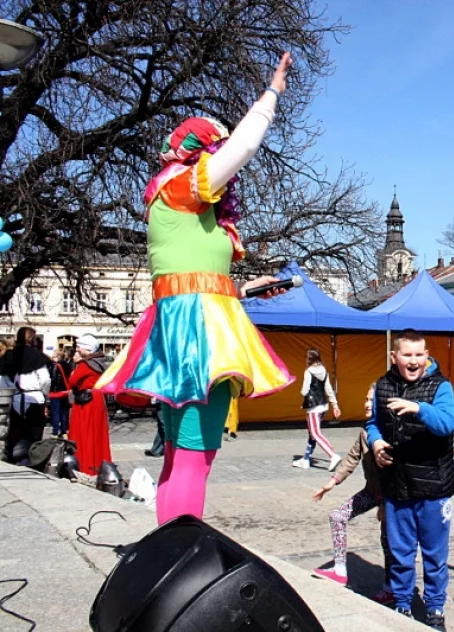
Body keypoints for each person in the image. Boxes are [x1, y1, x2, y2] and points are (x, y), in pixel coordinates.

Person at [96, 54, 296, 524]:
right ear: (202, 151)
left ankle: (171, 550)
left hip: (181, 327)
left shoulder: (173, 200)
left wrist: (244, 290)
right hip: (198, 338)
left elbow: (190, 275)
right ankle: (182, 554)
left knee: (179, 458)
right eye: (214, 152)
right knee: (193, 460)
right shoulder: (182, 187)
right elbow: (244, 146)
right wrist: (272, 95)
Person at [366, 329, 454, 631]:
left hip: (434, 487)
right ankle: (402, 603)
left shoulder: (441, 386)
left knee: (434, 555)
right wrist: (376, 442)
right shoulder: (382, 385)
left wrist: (419, 408)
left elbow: (446, 424)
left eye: (419, 355)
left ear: (427, 356)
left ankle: (435, 607)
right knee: (400, 553)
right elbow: (373, 423)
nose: (414, 361)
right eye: (407, 355)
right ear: (394, 357)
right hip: (397, 486)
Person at [311, 385, 394, 605]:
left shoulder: (390, 431)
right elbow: (351, 459)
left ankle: (392, 586)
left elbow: (395, 471)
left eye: (371, 400)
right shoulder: (365, 431)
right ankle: (339, 570)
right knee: (337, 516)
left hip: (392, 497)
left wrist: (386, 504)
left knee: (388, 540)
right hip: (371, 491)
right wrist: (330, 484)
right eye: (365, 399)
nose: (366, 404)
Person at [0, 327, 51, 464]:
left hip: (16, 398)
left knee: (15, 432)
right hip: (35, 398)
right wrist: (45, 394)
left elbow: (3, 378)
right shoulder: (37, 356)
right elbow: (45, 380)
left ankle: (13, 460)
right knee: (34, 434)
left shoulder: (10, 355)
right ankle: (32, 460)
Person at [69, 334, 112, 476]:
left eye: (79, 347)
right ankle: (97, 461)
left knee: (85, 432)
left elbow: (72, 381)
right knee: (97, 433)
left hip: (86, 401)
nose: (77, 349)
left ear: (86, 348)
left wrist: (74, 372)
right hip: (98, 398)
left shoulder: (85, 364)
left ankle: (85, 463)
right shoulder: (99, 362)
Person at [294, 348, 342, 470]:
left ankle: (333, 455)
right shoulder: (324, 371)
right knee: (312, 434)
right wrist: (335, 405)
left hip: (313, 407)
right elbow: (329, 389)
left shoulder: (308, 372)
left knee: (315, 433)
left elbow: (304, 391)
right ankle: (306, 459)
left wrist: (302, 392)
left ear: (309, 359)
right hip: (323, 406)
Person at [48, 349, 72, 439]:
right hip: (65, 392)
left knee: (55, 413)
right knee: (64, 413)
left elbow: (53, 379)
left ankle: (55, 432)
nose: (52, 358)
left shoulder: (55, 366)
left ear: (58, 357)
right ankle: (64, 431)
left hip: (56, 392)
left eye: (54, 356)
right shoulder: (68, 365)